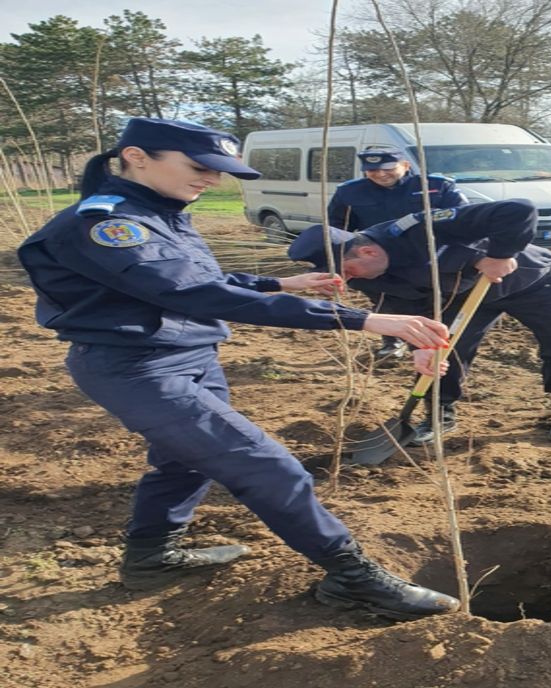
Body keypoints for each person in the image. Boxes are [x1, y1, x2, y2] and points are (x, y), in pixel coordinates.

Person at [17, 117, 459, 621]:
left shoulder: (161, 211)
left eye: (218, 171)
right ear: (137, 156)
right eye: (198, 167)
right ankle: (354, 578)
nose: (211, 180)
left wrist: (278, 283)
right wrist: (365, 319)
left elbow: (198, 275)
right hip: (135, 368)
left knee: (183, 460)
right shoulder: (104, 223)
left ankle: (152, 558)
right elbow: (191, 292)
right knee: (268, 467)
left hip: (190, 354)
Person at [288, 200, 551, 444]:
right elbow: (400, 311)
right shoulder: (364, 276)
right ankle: (439, 415)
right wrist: (419, 345)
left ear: (367, 251)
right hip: (461, 297)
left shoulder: (419, 228)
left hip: (534, 284)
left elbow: (518, 211)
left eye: (349, 271)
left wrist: (500, 254)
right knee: (443, 352)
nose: (348, 280)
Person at [329, 148, 468, 359]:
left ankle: (434, 344)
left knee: (431, 302)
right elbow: (336, 229)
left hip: (429, 258)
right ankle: (392, 341)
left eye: (388, 169)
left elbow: (464, 218)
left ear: (406, 166)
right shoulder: (349, 192)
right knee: (386, 301)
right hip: (378, 260)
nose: (381, 174)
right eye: (372, 170)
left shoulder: (436, 187)